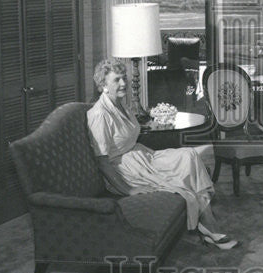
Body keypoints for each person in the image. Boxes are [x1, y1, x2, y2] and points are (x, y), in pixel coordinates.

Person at [86, 57, 238, 250]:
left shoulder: (121, 104)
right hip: (124, 168)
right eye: (117, 80)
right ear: (103, 85)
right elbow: (103, 163)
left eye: (124, 77)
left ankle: (206, 222)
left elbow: (132, 132)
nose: (123, 83)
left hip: (141, 156)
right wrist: (128, 190)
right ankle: (210, 226)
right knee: (182, 184)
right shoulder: (99, 115)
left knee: (189, 155)